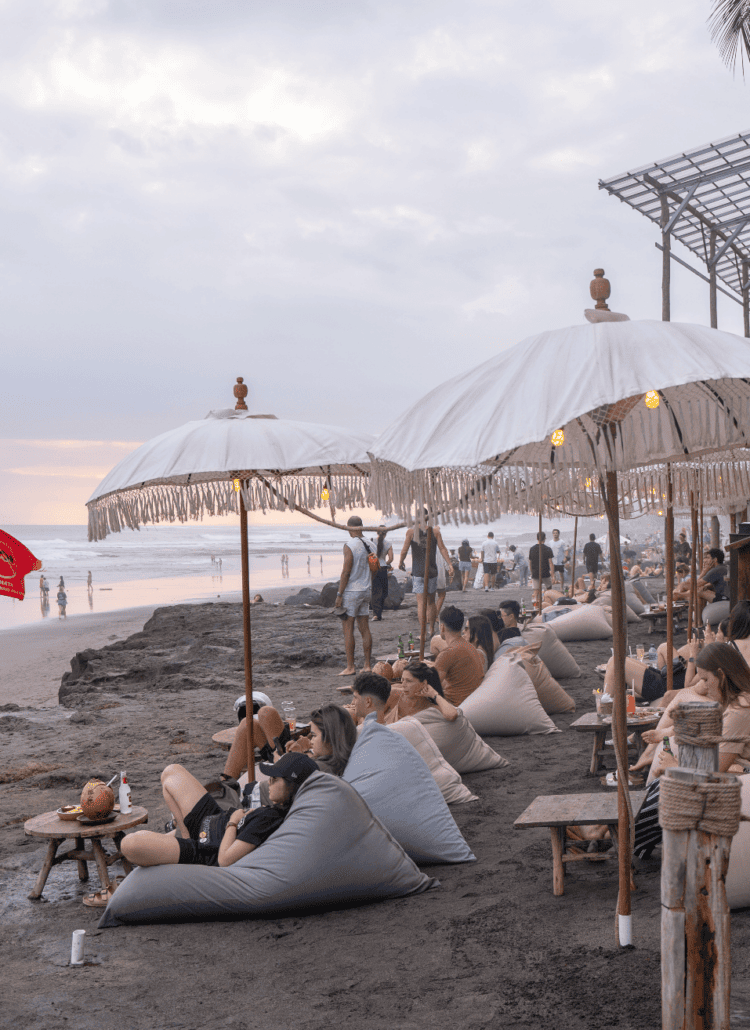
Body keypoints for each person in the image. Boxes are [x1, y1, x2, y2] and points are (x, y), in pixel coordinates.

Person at [634, 642, 750, 859]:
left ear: (721, 676)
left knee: (668, 787)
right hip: (738, 775)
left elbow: (713, 773)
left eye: (706, 679)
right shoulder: (739, 700)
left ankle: (618, 837)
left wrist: (674, 765)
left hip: (743, 784)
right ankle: (609, 833)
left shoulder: (740, 709)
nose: (704, 686)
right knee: (663, 786)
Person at [120, 752, 318, 870]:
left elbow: (224, 860)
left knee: (129, 844)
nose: (269, 782)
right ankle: (183, 837)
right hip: (213, 819)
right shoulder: (276, 809)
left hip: (206, 850)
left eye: (275, 779)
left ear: (292, 787)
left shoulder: (270, 819)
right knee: (171, 772)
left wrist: (233, 821)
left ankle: (182, 844)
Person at [398, 520, 453, 642]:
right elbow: (443, 548)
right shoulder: (435, 531)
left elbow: (404, 550)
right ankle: (431, 630)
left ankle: (423, 633)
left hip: (418, 572)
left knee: (421, 603)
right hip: (432, 571)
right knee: (431, 602)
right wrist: (450, 564)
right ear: (427, 518)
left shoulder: (411, 532)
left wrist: (401, 562)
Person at [335, 515, 373, 676]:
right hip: (366, 589)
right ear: (362, 526)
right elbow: (375, 568)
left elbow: (346, 572)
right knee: (364, 628)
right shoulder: (371, 544)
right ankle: (367, 665)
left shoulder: (349, 545)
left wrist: (339, 594)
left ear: (349, 528)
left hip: (352, 591)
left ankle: (350, 667)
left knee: (348, 629)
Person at [284, 703, 357, 774]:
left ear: (331, 739)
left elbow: (288, 778)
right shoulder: (343, 761)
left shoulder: (319, 769)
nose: (311, 741)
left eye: (314, 735)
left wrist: (290, 759)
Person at [433, 605, 484, 705]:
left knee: (398, 692)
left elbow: (430, 686)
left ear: (442, 627)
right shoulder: (470, 647)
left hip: (453, 705)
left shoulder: (448, 653)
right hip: (471, 702)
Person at [371, 527, 393, 622]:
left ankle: (376, 614)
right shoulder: (388, 543)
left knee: (375, 591)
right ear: (386, 533)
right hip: (383, 568)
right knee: (384, 591)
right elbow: (391, 558)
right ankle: (378, 613)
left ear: (377, 532)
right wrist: (385, 563)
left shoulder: (371, 541)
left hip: (374, 568)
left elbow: (368, 555)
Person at [528, 532, 554, 605]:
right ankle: (548, 604)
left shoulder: (532, 549)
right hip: (545, 572)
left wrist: (531, 572)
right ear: (545, 539)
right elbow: (550, 563)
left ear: (536, 538)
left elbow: (530, 562)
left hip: (535, 573)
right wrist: (553, 575)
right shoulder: (548, 549)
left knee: (536, 592)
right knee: (549, 589)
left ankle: (536, 606)